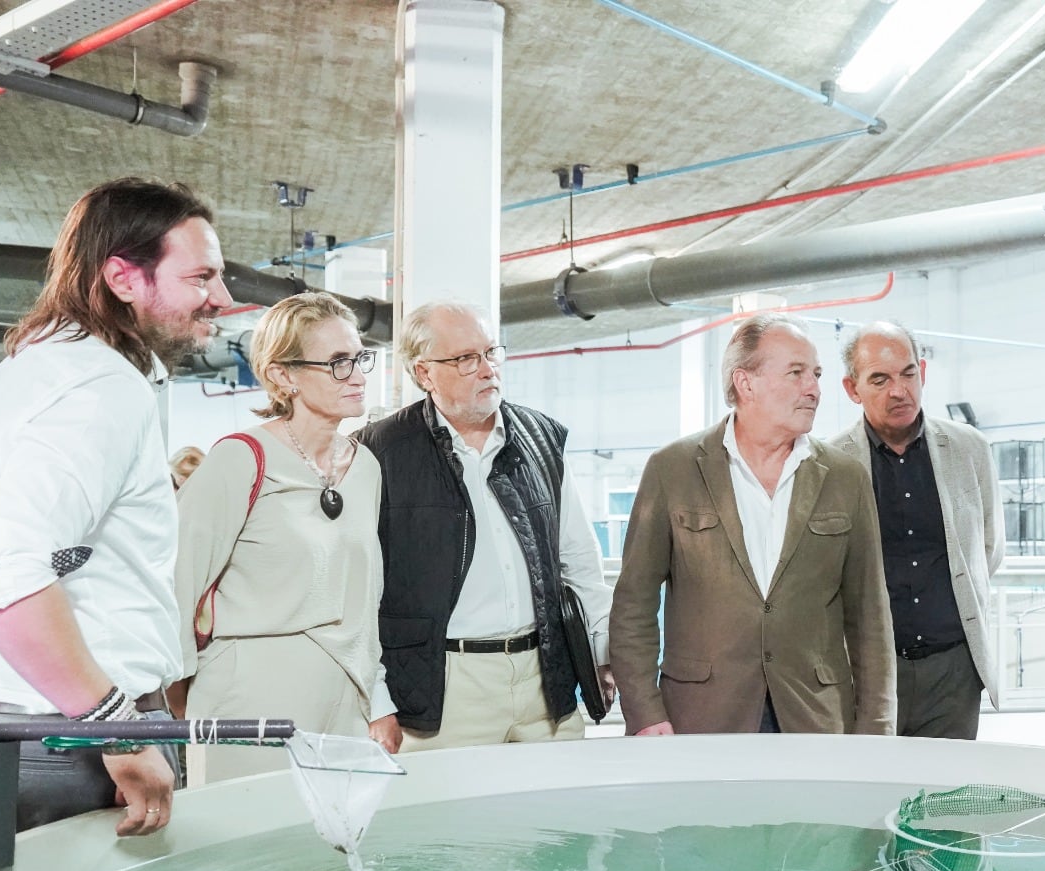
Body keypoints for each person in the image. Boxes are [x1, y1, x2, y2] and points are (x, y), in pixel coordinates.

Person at [0, 177, 232, 834]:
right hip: (68, 738)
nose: (221, 300)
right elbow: (8, 576)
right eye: (201, 277)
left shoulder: (56, 368)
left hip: (49, 723)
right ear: (123, 277)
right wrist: (121, 730)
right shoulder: (98, 390)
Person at [610, 312, 896, 735]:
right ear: (746, 383)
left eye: (816, 374)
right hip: (701, 716)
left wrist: (876, 725)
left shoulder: (845, 476)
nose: (814, 388)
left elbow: (870, 616)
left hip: (813, 719)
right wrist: (645, 712)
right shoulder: (673, 469)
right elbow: (634, 603)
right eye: (796, 372)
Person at [356, 301, 612, 752]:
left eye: (491, 353)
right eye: (466, 359)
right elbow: (359, 594)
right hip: (445, 686)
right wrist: (378, 701)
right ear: (424, 373)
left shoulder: (540, 438)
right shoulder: (379, 453)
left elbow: (580, 561)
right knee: (449, 822)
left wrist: (603, 653)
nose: (487, 369)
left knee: (557, 818)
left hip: (546, 676)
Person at [173, 292, 394, 782]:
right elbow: (177, 588)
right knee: (244, 848)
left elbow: (366, 600)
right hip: (247, 697)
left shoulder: (366, 468)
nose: (357, 375)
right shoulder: (239, 459)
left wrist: (378, 698)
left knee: (334, 854)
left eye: (359, 357)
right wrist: (172, 717)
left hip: (345, 698)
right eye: (337, 362)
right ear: (282, 375)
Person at [826, 320, 1004, 739]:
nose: (899, 390)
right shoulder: (831, 463)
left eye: (908, 373)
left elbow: (988, 547)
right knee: (869, 791)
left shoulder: (969, 449)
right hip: (867, 672)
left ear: (922, 373)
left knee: (946, 798)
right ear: (853, 389)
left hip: (953, 672)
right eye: (880, 379)